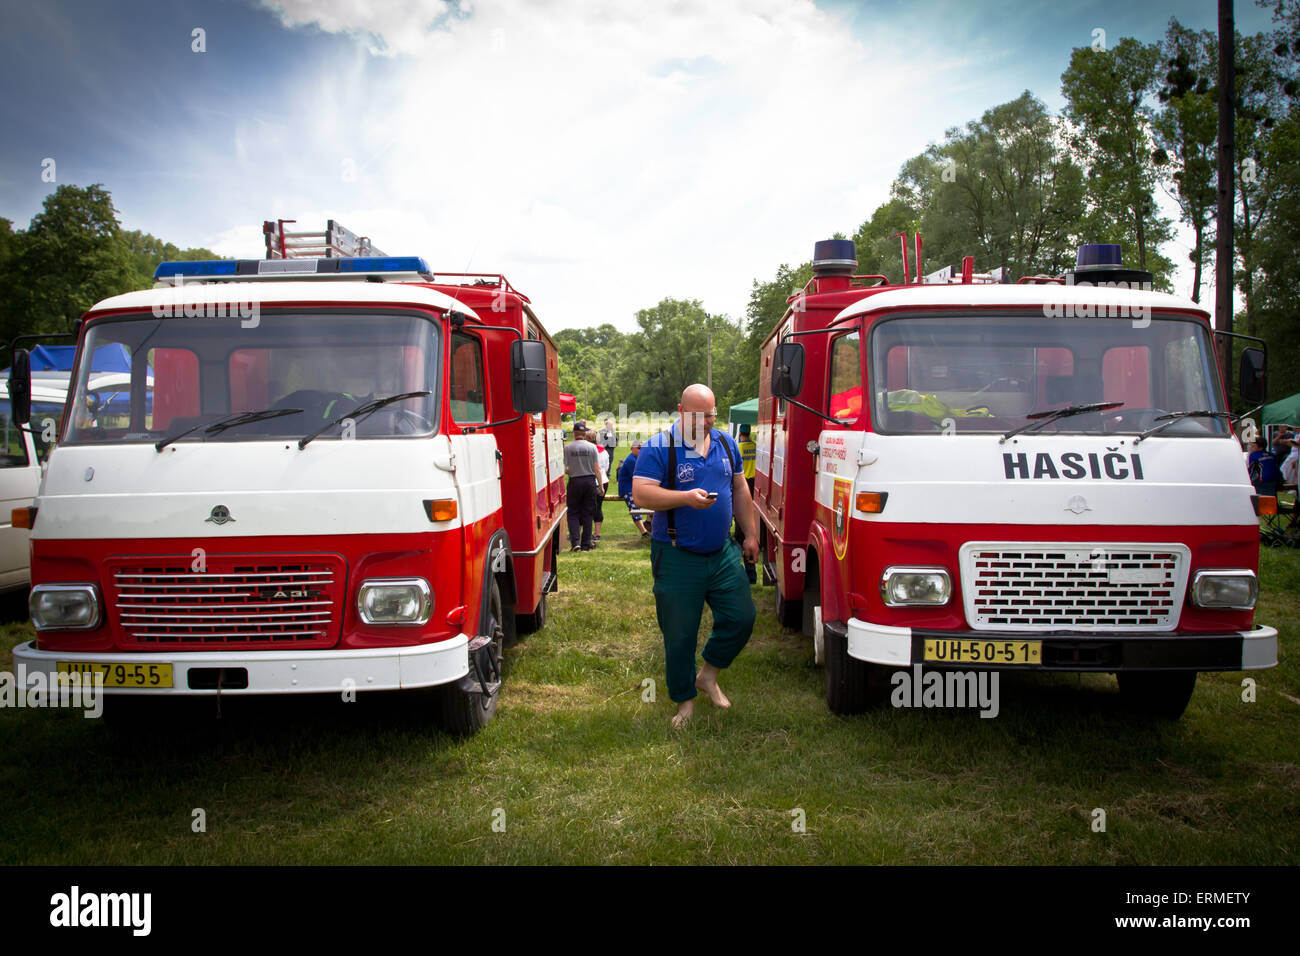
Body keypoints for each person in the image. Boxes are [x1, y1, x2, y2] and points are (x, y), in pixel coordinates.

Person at [633, 384, 759, 729]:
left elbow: (740, 487)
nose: (706, 421)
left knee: (741, 617)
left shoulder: (726, 443)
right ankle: (684, 701)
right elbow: (641, 494)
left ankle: (708, 675)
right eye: (699, 415)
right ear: (680, 410)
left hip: (721, 553)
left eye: (711, 414)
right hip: (676, 555)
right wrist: (685, 498)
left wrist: (749, 534)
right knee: (679, 634)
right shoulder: (660, 447)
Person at [564, 422, 601, 551]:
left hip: (574, 481)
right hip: (589, 481)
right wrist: (600, 486)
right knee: (588, 513)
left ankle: (575, 542)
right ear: (585, 434)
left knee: (573, 512)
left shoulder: (568, 448)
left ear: (574, 434)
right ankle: (586, 543)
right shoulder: (592, 447)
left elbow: (564, 468)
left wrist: (573, 471)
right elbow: (597, 468)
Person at [733, 423, 758, 583]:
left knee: (740, 532)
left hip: (743, 484)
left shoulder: (738, 448)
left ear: (740, 432)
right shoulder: (755, 446)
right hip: (755, 483)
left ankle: (744, 572)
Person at [618, 440, 648, 536]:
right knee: (634, 508)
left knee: (654, 499)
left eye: (642, 448)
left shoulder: (636, 458)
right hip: (627, 489)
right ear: (633, 448)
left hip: (634, 488)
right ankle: (644, 532)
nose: (641, 450)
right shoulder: (631, 460)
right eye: (639, 448)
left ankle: (648, 522)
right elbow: (638, 476)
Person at [593, 441, 609, 542]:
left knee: (586, 507)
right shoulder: (605, 452)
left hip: (592, 480)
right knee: (598, 507)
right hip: (604, 479)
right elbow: (606, 467)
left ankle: (581, 532)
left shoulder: (589, 450)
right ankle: (597, 534)